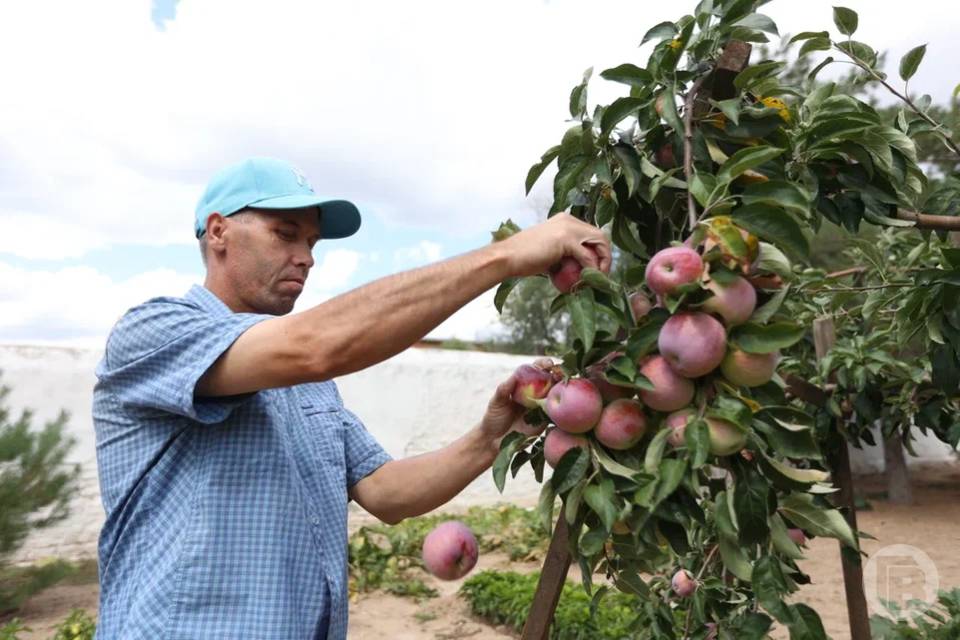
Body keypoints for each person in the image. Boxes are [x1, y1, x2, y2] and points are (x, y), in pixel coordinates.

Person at [91, 157, 611, 639]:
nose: (306, 258)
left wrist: (492, 436)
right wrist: (507, 256)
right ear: (219, 230)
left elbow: (384, 492)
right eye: (285, 234)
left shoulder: (306, 381)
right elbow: (317, 346)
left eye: (313, 242)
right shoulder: (154, 332)